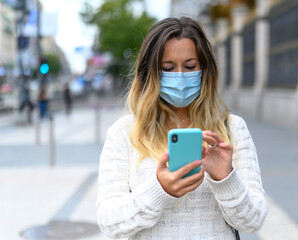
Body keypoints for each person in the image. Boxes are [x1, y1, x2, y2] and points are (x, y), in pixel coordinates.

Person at [97, 17, 268, 239]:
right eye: (168, 68)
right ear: (151, 72)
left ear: (204, 69)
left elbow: (253, 222)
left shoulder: (232, 129)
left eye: (189, 67)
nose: (179, 77)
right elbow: (109, 223)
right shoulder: (124, 133)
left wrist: (225, 179)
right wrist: (159, 190)